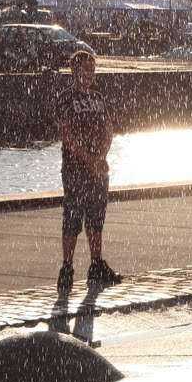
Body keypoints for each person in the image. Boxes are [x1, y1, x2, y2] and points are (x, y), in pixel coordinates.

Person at [55, 50, 122, 292]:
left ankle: (96, 264)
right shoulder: (66, 98)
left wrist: (100, 156)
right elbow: (67, 134)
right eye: (85, 70)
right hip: (75, 169)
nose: (89, 74)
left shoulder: (98, 97)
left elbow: (108, 128)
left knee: (96, 216)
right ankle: (67, 267)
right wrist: (87, 159)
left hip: (98, 167)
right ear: (75, 71)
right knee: (72, 217)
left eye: (92, 70)